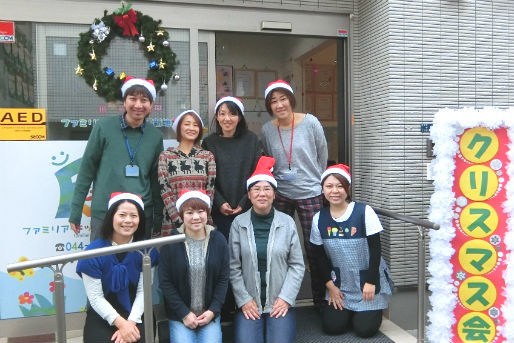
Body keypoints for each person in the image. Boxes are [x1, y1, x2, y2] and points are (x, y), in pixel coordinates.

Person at [260, 79, 328, 309]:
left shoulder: (310, 123)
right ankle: (279, 300)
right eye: (273, 101)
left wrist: (316, 182)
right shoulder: (268, 129)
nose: (279, 105)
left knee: (314, 247)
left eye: (283, 99)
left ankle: (320, 299)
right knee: (279, 247)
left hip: (310, 192)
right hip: (281, 194)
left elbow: (322, 155)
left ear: (291, 99)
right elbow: (270, 159)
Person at [70, 77, 164, 241]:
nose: (138, 105)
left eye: (144, 100)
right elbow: (87, 170)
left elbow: (156, 180)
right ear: (124, 101)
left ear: (151, 105)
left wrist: (158, 218)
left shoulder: (155, 136)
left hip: (141, 213)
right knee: (100, 261)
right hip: (105, 211)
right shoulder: (104, 127)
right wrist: (76, 211)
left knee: (139, 263)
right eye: (132, 99)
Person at [310, 164, 393, 337]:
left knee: (365, 331)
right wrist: (330, 285)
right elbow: (318, 255)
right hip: (340, 285)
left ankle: (363, 313)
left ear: (347, 188)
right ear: (323, 190)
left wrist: (371, 281)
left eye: (340, 186)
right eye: (329, 186)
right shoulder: (319, 218)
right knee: (332, 328)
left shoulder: (364, 211)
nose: (335, 191)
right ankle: (349, 313)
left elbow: (376, 249)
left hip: (366, 283)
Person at [229, 156, 305, 343]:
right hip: (249, 301)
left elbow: (297, 265)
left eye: (267, 189)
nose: (262, 194)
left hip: (278, 301)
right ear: (249, 194)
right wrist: (244, 300)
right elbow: (233, 266)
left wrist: (286, 298)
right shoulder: (239, 223)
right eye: (256, 189)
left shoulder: (287, 223)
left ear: (274, 194)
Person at [76, 192, 158, 343]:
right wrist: (121, 324)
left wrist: (131, 323)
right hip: (102, 313)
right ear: (111, 217)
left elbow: (143, 292)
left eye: (133, 216)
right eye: (122, 215)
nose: (128, 220)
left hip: (137, 311)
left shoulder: (147, 250)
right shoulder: (93, 253)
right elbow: (95, 298)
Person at [159, 189, 229, 343]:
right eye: (190, 212)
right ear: (182, 215)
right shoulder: (171, 242)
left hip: (209, 315)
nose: (196, 217)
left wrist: (212, 311)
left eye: (201, 211)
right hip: (180, 316)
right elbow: (165, 282)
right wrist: (184, 313)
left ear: (208, 213)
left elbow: (224, 279)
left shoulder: (218, 240)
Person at [202, 96, 261, 238]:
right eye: (222, 114)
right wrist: (220, 203)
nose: (227, 118)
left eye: (232, 114)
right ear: (216, 117)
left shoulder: (252, 140)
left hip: (248, 207)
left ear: (240, 117)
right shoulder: (209, 143)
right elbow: (206, 178)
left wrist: (244, 202)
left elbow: (257, 174)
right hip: (219, 211)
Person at [158, 110, 216, 237]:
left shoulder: (207, 156)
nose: (191, 128)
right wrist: (180, 221)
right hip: (173, 222)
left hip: (201, 222)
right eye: (187, 124)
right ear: (179, 128)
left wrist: (201, 217)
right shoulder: (166, 156)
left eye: (195, 125)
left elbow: (210, 190)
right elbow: (165, 191)